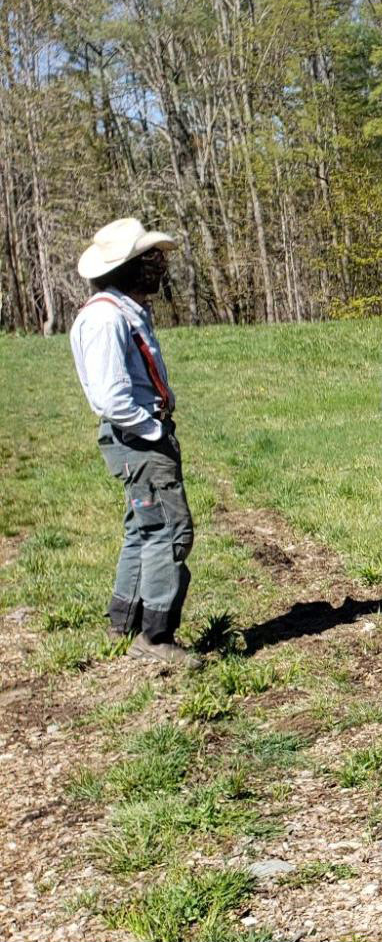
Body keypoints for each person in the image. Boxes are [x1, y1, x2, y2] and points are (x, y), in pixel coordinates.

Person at [69, 218, 200, 668]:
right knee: (169, 530)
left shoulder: (124, 310)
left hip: (140, 435)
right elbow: (110, 396)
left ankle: (123, 623)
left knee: (142, 528)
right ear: (123, 268)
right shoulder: (106, 317)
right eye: (146, 260)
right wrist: (153, 429)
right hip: (138, 438)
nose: (156, 267)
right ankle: (156, 636)